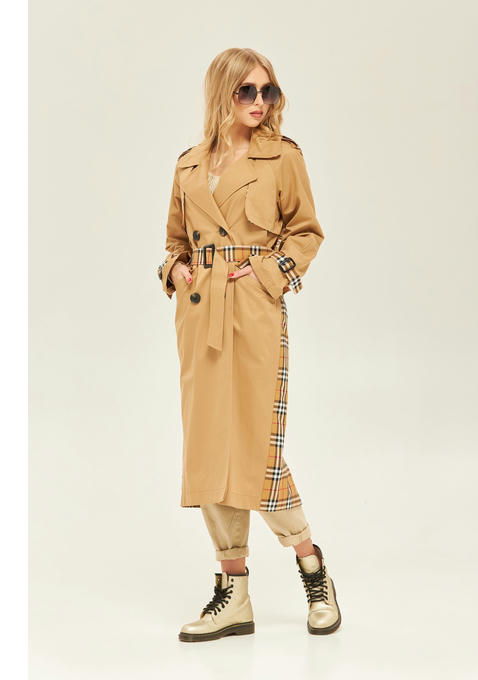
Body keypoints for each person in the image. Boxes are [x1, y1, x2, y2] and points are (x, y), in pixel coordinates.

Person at [157, 47, 341, 641]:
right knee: (210, 451)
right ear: (222, 94)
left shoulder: (282, 157)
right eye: (246, 91)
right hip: (199, 314)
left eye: (268, 91)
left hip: (255, 310)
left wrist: (267, 274)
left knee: (257, 451)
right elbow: (175, 241)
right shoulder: (189, 165)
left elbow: (306, 232)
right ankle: (233, 592)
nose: (260, 102)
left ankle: (311, 567)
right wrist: (175, 270)